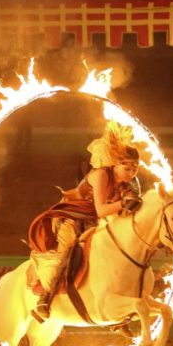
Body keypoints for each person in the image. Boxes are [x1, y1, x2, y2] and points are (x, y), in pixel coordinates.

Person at [27, 121, 141, 322]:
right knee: (67, 249)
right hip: (74, 215)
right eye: (128, 167)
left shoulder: (128, 185)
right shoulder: (100, 175)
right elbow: (101, 209)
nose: (132, 173)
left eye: (135, 169)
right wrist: (124, 204)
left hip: (96, 221)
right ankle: (45, 299)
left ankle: (116, 307)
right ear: (116, 164)